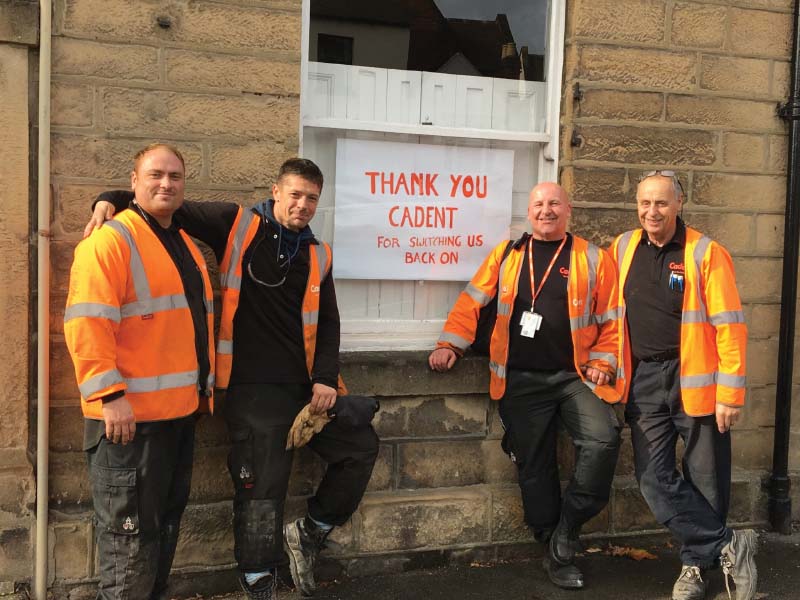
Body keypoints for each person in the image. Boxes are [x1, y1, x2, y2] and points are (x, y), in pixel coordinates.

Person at [88, 158, 379, 600]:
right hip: (250, 389)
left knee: (360, 447)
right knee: (263, 487)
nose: (302, 205)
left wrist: (324, 378)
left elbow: (330, 322)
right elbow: (167, 203)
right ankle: (257, 578)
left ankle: (310, 530)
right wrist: (110, 199)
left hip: (305, 389)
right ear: (276, 191)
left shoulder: (318, 253)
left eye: (312, 199)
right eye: (295, 194)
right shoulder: (237, 224)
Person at [428, 182, 624, 590]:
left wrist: (605, 361)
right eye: (538, 204)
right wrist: (451, 343)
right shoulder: (508, 254)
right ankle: (552, 546)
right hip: (520, 377)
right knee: (533, 465)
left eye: (554, 203)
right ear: (529, 211)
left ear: (568, 209)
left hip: (575, 377)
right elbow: (472, 301)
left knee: (603, 438)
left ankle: (567, 529)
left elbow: (612, 318)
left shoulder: (592, 256)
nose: (546, 210)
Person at [65, 143, 215, 599]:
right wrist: (110, 396)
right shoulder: (110, 240)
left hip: (176, 418)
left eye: (174, 176)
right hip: (128, 427)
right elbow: (86, 323)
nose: (165, 184)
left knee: (162, 533)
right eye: (155, 175)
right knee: (129, 544)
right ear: (133, 183)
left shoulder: (184, 243)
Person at [610, 171, 756, 600]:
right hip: (644, 380)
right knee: (653, 477)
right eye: (644, 204)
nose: (651, 212)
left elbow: (730, 327)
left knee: (706, 478)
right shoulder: (622, 247)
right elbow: (606, 312)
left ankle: (695, 566)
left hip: (696, 380)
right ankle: (729, 543)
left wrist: (730, 394)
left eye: (660, 203)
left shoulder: (705, 253)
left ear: (679, 203)